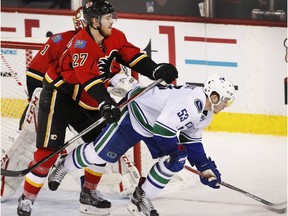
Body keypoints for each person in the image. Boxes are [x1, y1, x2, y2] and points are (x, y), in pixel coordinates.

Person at [17, 0, 178, 215]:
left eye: (113, 16)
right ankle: (27, 198)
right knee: (48, 152)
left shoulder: (116, 37)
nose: (113, 21)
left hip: (88, 98)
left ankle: (88, 193)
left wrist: (157, 69)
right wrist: (105, 102)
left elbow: (134, 57)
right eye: (108, 18)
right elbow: (89, 79)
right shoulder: (80, 45)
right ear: (94, 21)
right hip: (59, 95)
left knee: (101, 145)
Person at [48, 74, 235, 215]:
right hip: (135, 114)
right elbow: (164, 128)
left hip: (156, 124)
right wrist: (174, 151)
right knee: (98, 154)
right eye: (226, 101)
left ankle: (141, 197)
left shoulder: (205, 113)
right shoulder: (189, 102)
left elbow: (191, 140)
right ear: (215, 96)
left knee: (175, 161)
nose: (226, 105)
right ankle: (64, 163)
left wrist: (204, 167)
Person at [0, 7, 86, 202]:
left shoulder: (105, 46)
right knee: (29, 138)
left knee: (93, 145)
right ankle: (4, 184)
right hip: (54, 101)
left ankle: (87, 188)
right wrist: (38, 103)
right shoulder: (60, 40)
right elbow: (34, 74)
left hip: (83, 105)